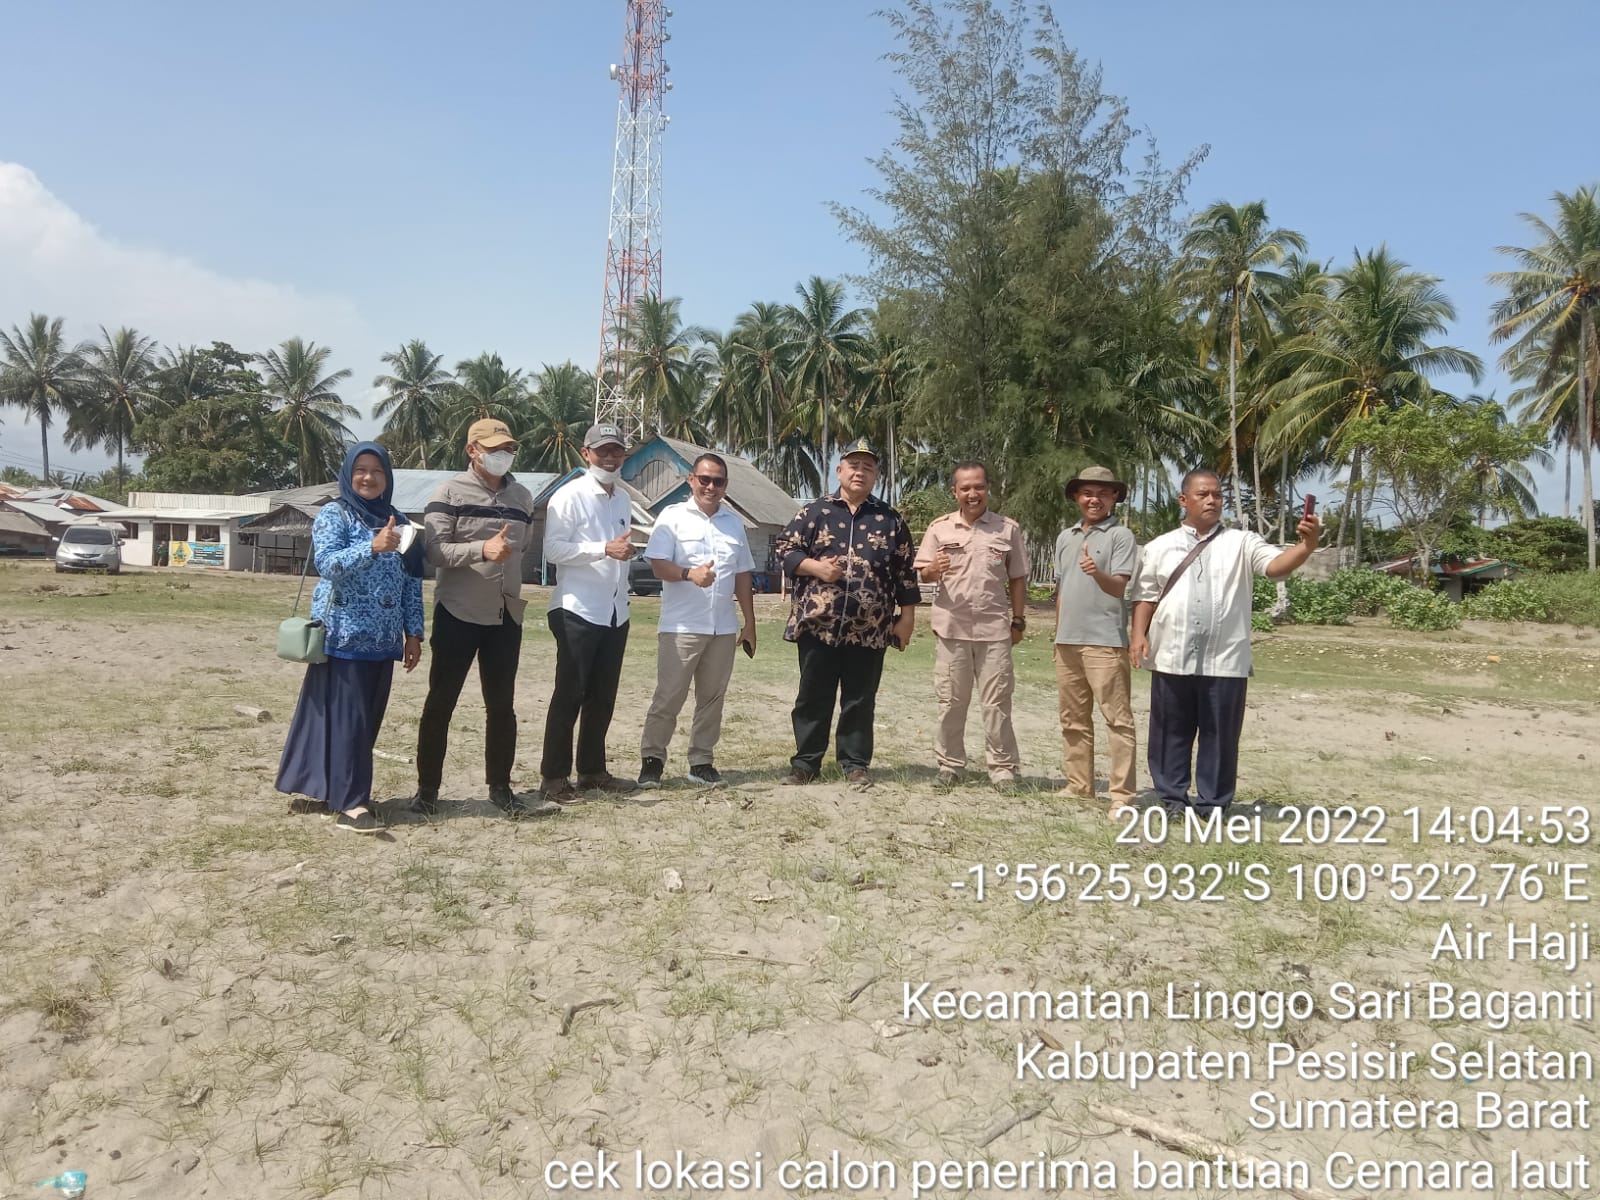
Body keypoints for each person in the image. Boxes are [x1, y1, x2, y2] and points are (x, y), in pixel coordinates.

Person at [1129, 468, 1320, 815]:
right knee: (1169, 731)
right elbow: (1146, 596)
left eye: (1217, 495)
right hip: (1171, 654)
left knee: (1220, 735)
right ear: (1183, 500)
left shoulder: (1242, 542)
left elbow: (1275, 566)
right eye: (1203, 494)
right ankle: (1171, 800)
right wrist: (1137, 636)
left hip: (1225, 658)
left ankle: (1213, 804)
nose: (1212, 500)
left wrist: (1306, 545)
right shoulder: (1160, 546)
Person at [277, 442, 423, 833]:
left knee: (365, 721)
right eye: (361, 469)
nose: (369, 478)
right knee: (349, 721)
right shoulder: (335, 514)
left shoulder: (401, 521)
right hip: (344, 635)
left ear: (388, 478)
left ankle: (334, 789)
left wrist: (415, 633)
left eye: (377, 471)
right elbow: (327, 564)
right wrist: (371, 548)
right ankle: (352, 802)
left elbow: (412, 582)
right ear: (347, 474)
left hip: (385, 639)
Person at [410, 418, 547, 819]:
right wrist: (480, 551)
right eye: (493, 447)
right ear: (472, 450)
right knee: (440, 704)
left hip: (506, 615)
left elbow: (524, 549)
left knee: (502, 707)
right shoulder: (448, 492)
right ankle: (427, 790)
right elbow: (434, 553)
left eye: (507, 448)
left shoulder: (523, 497)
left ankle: (501, 788)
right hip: (458, 612)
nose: (502, 454)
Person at [775, 438, 920, 789]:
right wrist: (816, 569)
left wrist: (907, 618)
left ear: (876, 476)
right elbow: (785, 548)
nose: (860, 472)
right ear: (839, 471)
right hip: (818, 624)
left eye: (868, 467)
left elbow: (905, 571)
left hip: (870, 628)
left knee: (860, 699)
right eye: (854, 466)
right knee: (812, 696)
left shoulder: (889, 519)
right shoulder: (815, 512)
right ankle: (806, 763)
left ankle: (855, 764)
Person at [637, 453, 757, 788]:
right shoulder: (672, 517)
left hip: (722, 626)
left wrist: (749, 622)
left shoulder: (733, 524)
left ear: (725, 486)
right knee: (669, 696)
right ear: (691, 480)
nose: (710, 486)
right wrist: (689, 574)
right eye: (704, 479)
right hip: (681, 626)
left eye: (718, 481)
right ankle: (652, 761)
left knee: (712, 698)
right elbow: (658, 564)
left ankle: (701, 761)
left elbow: (743, 574)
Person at [914, 461, 1029, 792]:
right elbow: (924, 573)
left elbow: (1018, 578)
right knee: (950, 702)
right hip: (952, 630)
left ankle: (1003, 769)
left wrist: (1018, 619)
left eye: (978, 486)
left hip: (994, 631)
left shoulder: (1008, 529)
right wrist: (934, 568)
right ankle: (950, 765)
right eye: (965, 488)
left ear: (987, 488)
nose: (972, 493)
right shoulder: (940, 529)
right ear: (955, 492)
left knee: (997, 703)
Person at [540, 422, 639, 798]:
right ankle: (553, 777)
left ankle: (593, 770)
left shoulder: (623, 499)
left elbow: (618, 547)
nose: (610, 458)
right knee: (570, 694)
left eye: (616, 451)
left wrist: (622, 552)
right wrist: (604, 549)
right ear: (586, 454)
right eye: (602, 451)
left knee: (603, 695)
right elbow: (553, 551)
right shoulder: (569, 496)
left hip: (616, 610)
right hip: (577, 609)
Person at [1053, 465, 1140, 815]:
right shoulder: (1065, 537)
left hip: (1105, 641)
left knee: (1117, 720)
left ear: (1115, 497)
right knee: (1072, 718)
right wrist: (1057, 634)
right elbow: (1061, 589)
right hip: (1067, 641)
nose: (1095, 499)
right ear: (1077, 497)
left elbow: (1120, 587)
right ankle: (1079, 785)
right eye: (1088, 492)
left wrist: (1097, 573)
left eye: (1104, 493)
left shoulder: (1121, 537)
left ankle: (1122, 795)